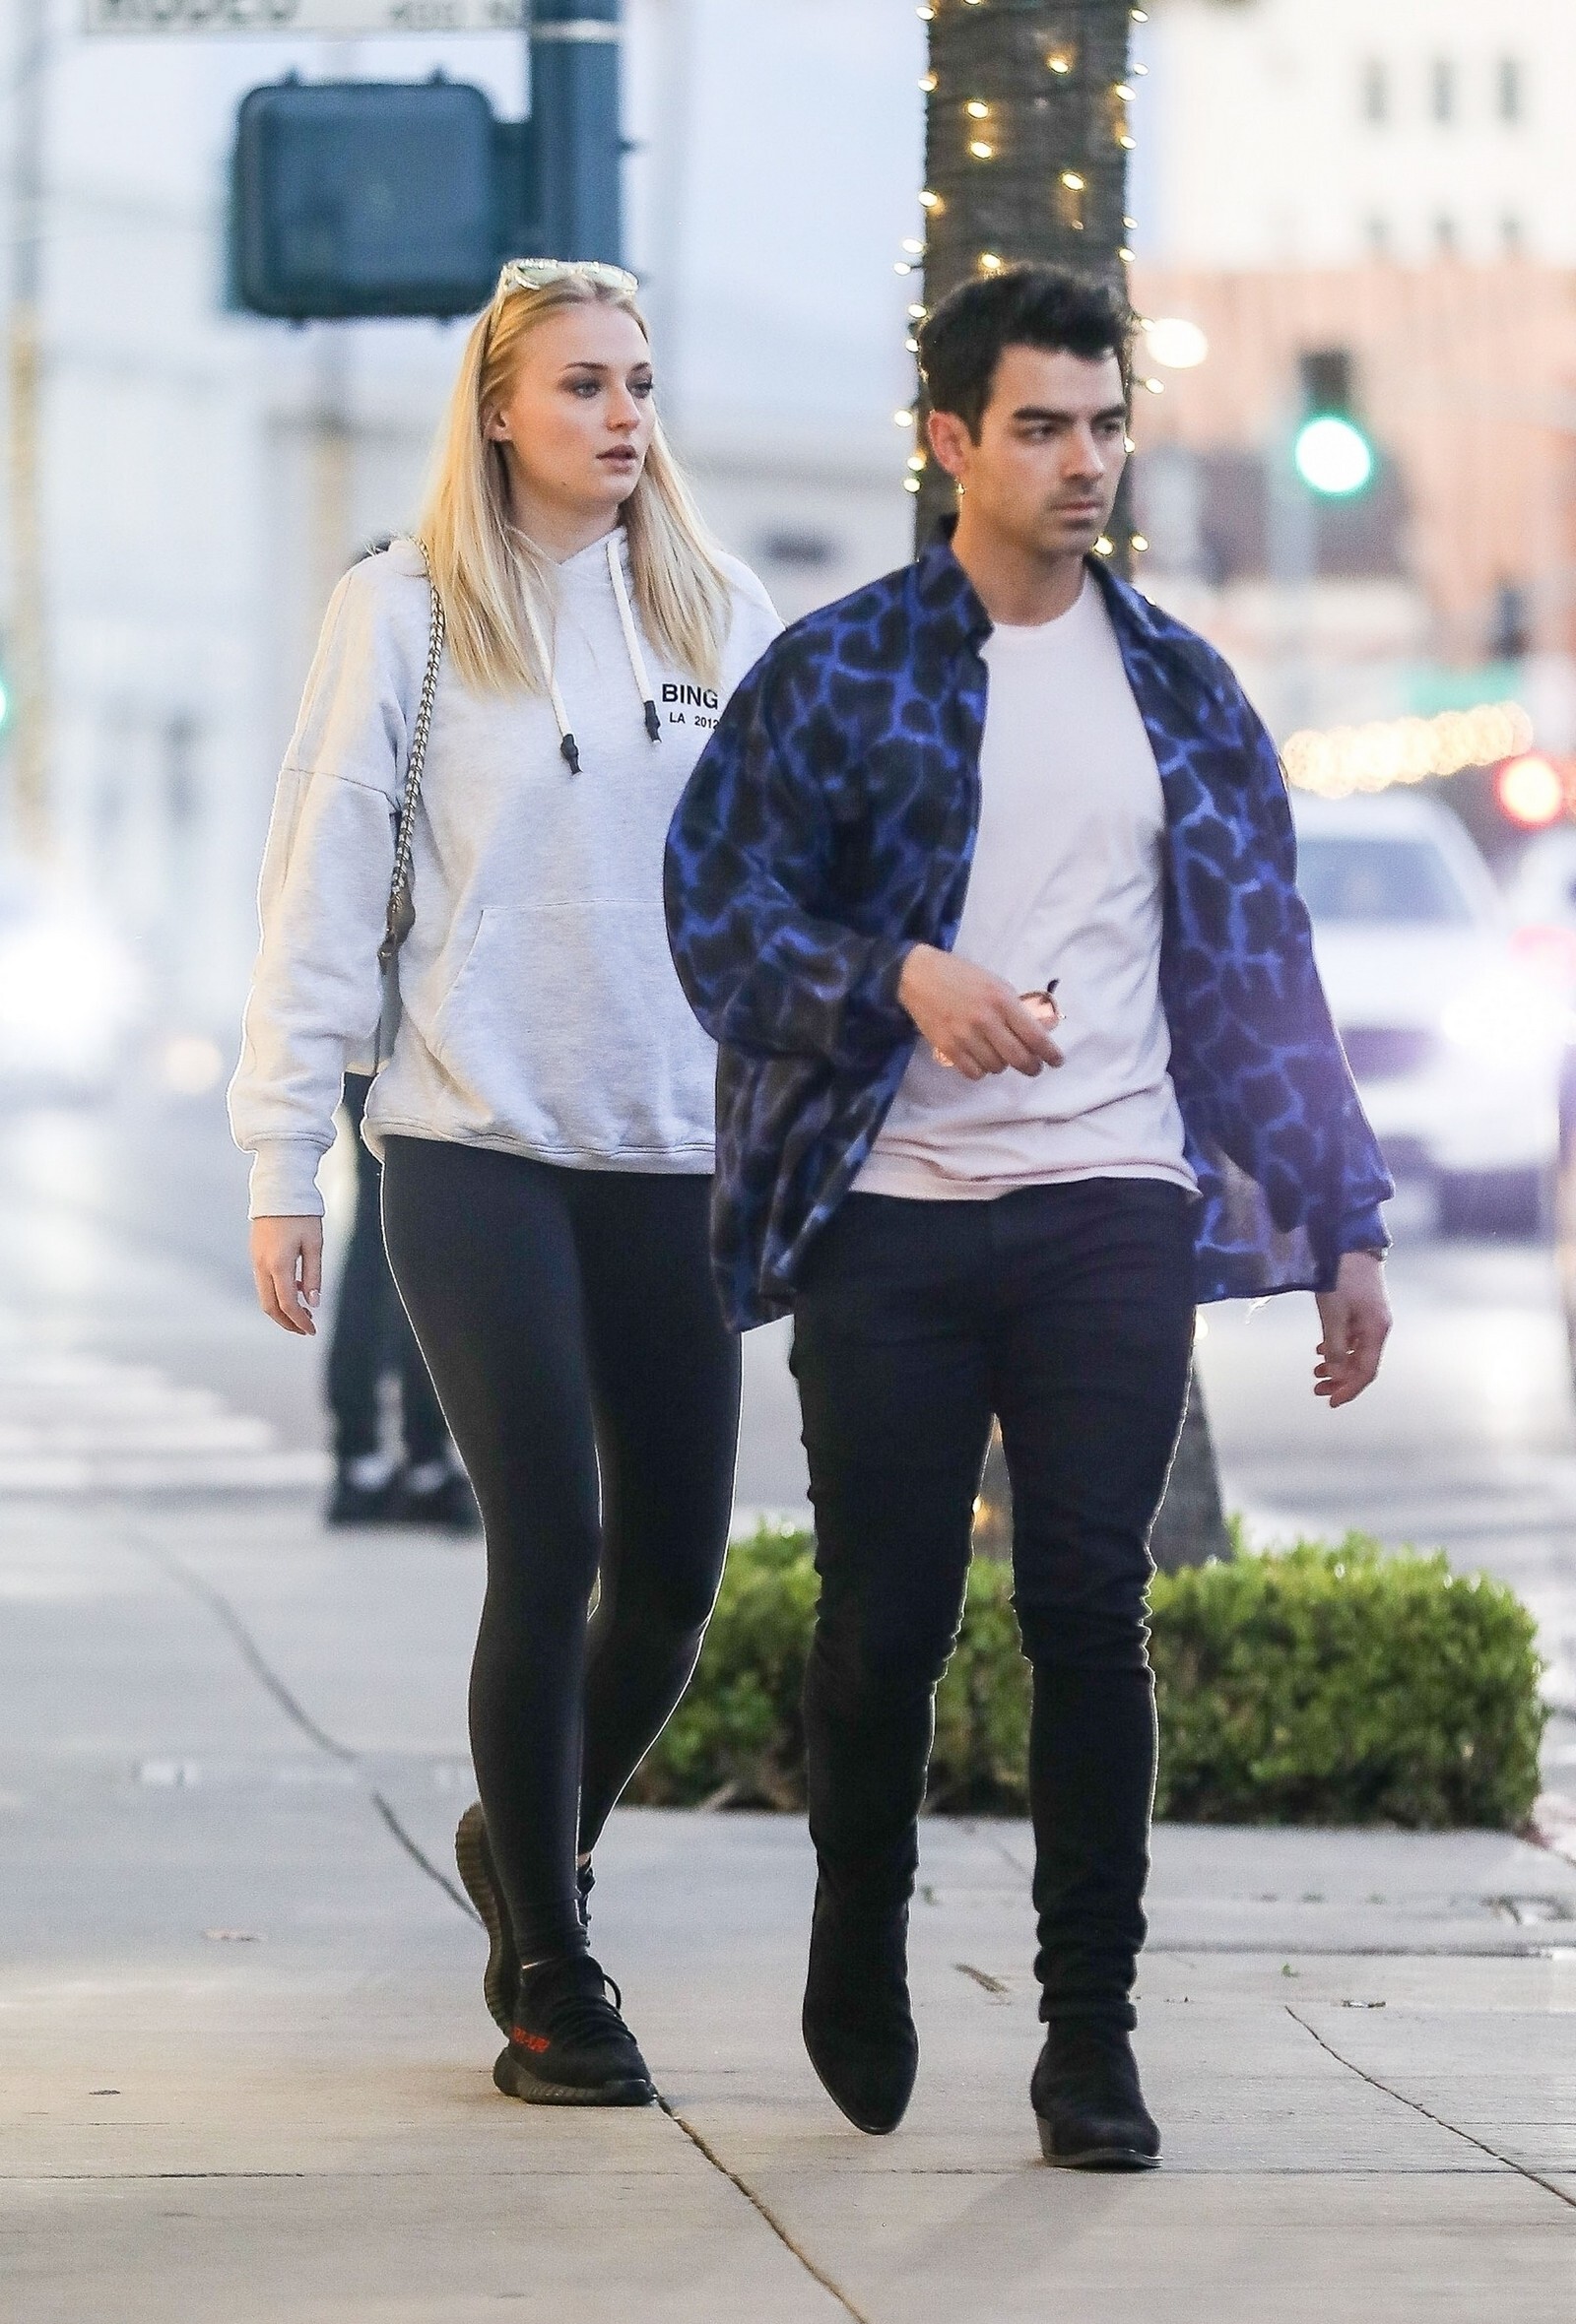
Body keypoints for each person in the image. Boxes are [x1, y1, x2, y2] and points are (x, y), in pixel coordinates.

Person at [665, 266, 1393, 2169]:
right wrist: (896, 977)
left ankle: (1090, 2042)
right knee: (885, 1621)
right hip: (892, 1222)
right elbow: (716, 914)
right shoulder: (842, 671)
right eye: (1043, 427)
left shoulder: (1184, 690)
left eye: (1106, 425)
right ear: (952, 441)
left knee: (1089, 1605)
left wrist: (1344, 1217)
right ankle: (859, 1924)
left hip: (1109, 1204)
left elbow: (1264, 976)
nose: (1085, 462)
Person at [230, 257, 780, 2107]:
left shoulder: (719, 614)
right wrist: (283, 1154)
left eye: (640, 383)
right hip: (473, 1145)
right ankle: (552, 1969)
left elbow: (792, 894)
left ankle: (521, 1835)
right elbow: (321, 884)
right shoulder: (403, 612)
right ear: (497, 410)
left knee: (675, 1583)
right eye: (582, 386)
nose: (623, 416)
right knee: (550, 1547)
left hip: (675, 1154)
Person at [323, 1063, 478, 1531]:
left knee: (379, 1237)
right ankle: (422, 1462)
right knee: (423, 1243)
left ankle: (363, 1459)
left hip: (374, 1055)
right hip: (420, 1053)